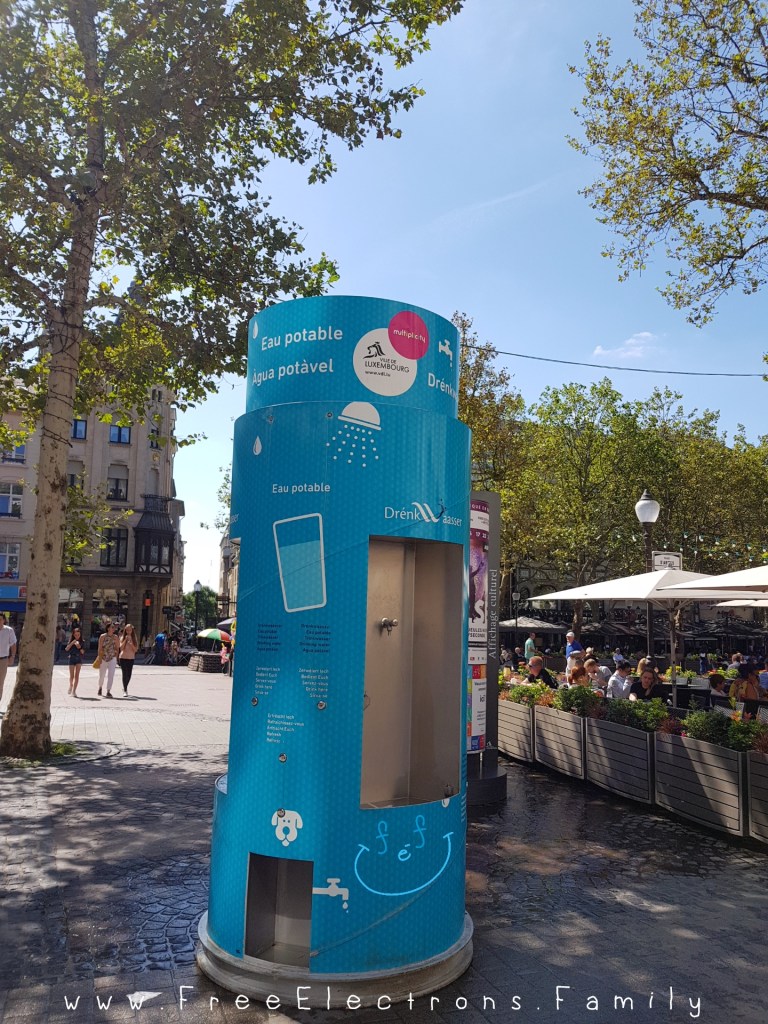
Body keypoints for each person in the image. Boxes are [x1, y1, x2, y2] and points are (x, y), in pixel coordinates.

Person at [97, 621, 119, 698]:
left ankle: (108, 690)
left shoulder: (116, 637)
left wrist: (116, 657)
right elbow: (99, 647)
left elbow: (117, 647)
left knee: (111, 675)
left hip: (112, 657)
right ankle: (100, 687)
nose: (114, 629)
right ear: (108, 628)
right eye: (112, 627)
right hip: (103, 657)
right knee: (102, 675)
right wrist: (99, 657)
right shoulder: (102, 636)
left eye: (114, 627)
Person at [0, 612, 18, 704]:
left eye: (0, 619)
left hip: (3, 660)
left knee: (0, 683)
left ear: (3, 620)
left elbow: (13, 644)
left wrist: (12, 656)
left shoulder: (9, 630)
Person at [118, 623, 139, 696]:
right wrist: (125, 640)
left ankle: (125, 687)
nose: (128, 631)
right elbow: (121, 648)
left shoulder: (134, 638)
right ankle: (125, 690)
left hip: (131, 658)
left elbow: (135, 650)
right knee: (124, 673)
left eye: (130, 630)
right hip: (123, 657)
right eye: (127, 630)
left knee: (129, 674)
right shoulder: (122, 637)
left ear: (132, 630)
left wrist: (131, 644)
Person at [65, 626, 85, 696]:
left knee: (77, 676)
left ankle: (74, 691)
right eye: (75, 635)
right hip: (72, 658)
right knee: (71, 676)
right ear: (73, 635)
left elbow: (83, 652)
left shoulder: (82, 642)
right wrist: (72, 643)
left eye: (78, 635)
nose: (77, 636)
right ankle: (70, 685)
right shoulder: (71, 641)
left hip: (78, 658)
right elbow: (66, 649)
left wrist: (79, 647)